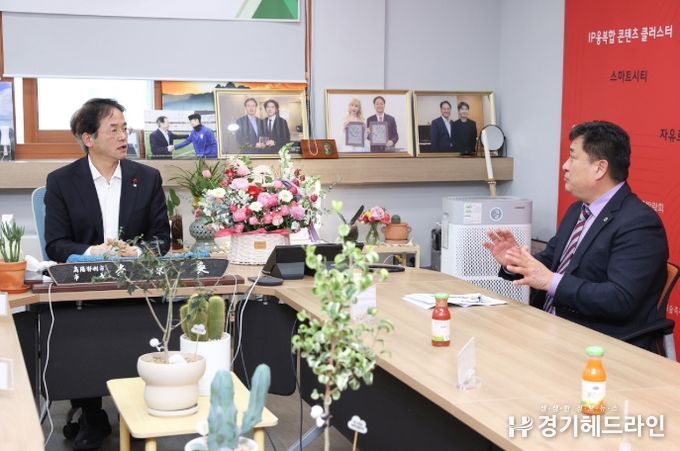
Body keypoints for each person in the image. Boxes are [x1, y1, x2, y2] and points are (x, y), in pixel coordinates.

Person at [44, 98, 171, 450]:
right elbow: (55, 244)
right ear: (88, 138)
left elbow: (162, 239)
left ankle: (144, 406)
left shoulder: (146, 178)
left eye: (125, 129)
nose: (122, 136)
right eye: (113, 129)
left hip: (136, 287)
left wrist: (138, 252)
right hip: (85, 289)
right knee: (84, 333)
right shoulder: (62, 181)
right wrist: (94, 252)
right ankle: (92, 413)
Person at [483, 121, 668, 352]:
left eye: (572, 157)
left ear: (599, 168)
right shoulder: (577, 210)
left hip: (597, 343)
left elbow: (619, 299)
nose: (564, 166)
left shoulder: (639, 223)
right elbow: (549, 262)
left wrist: (550, 281)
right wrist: (516, 261)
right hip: (548, 328)